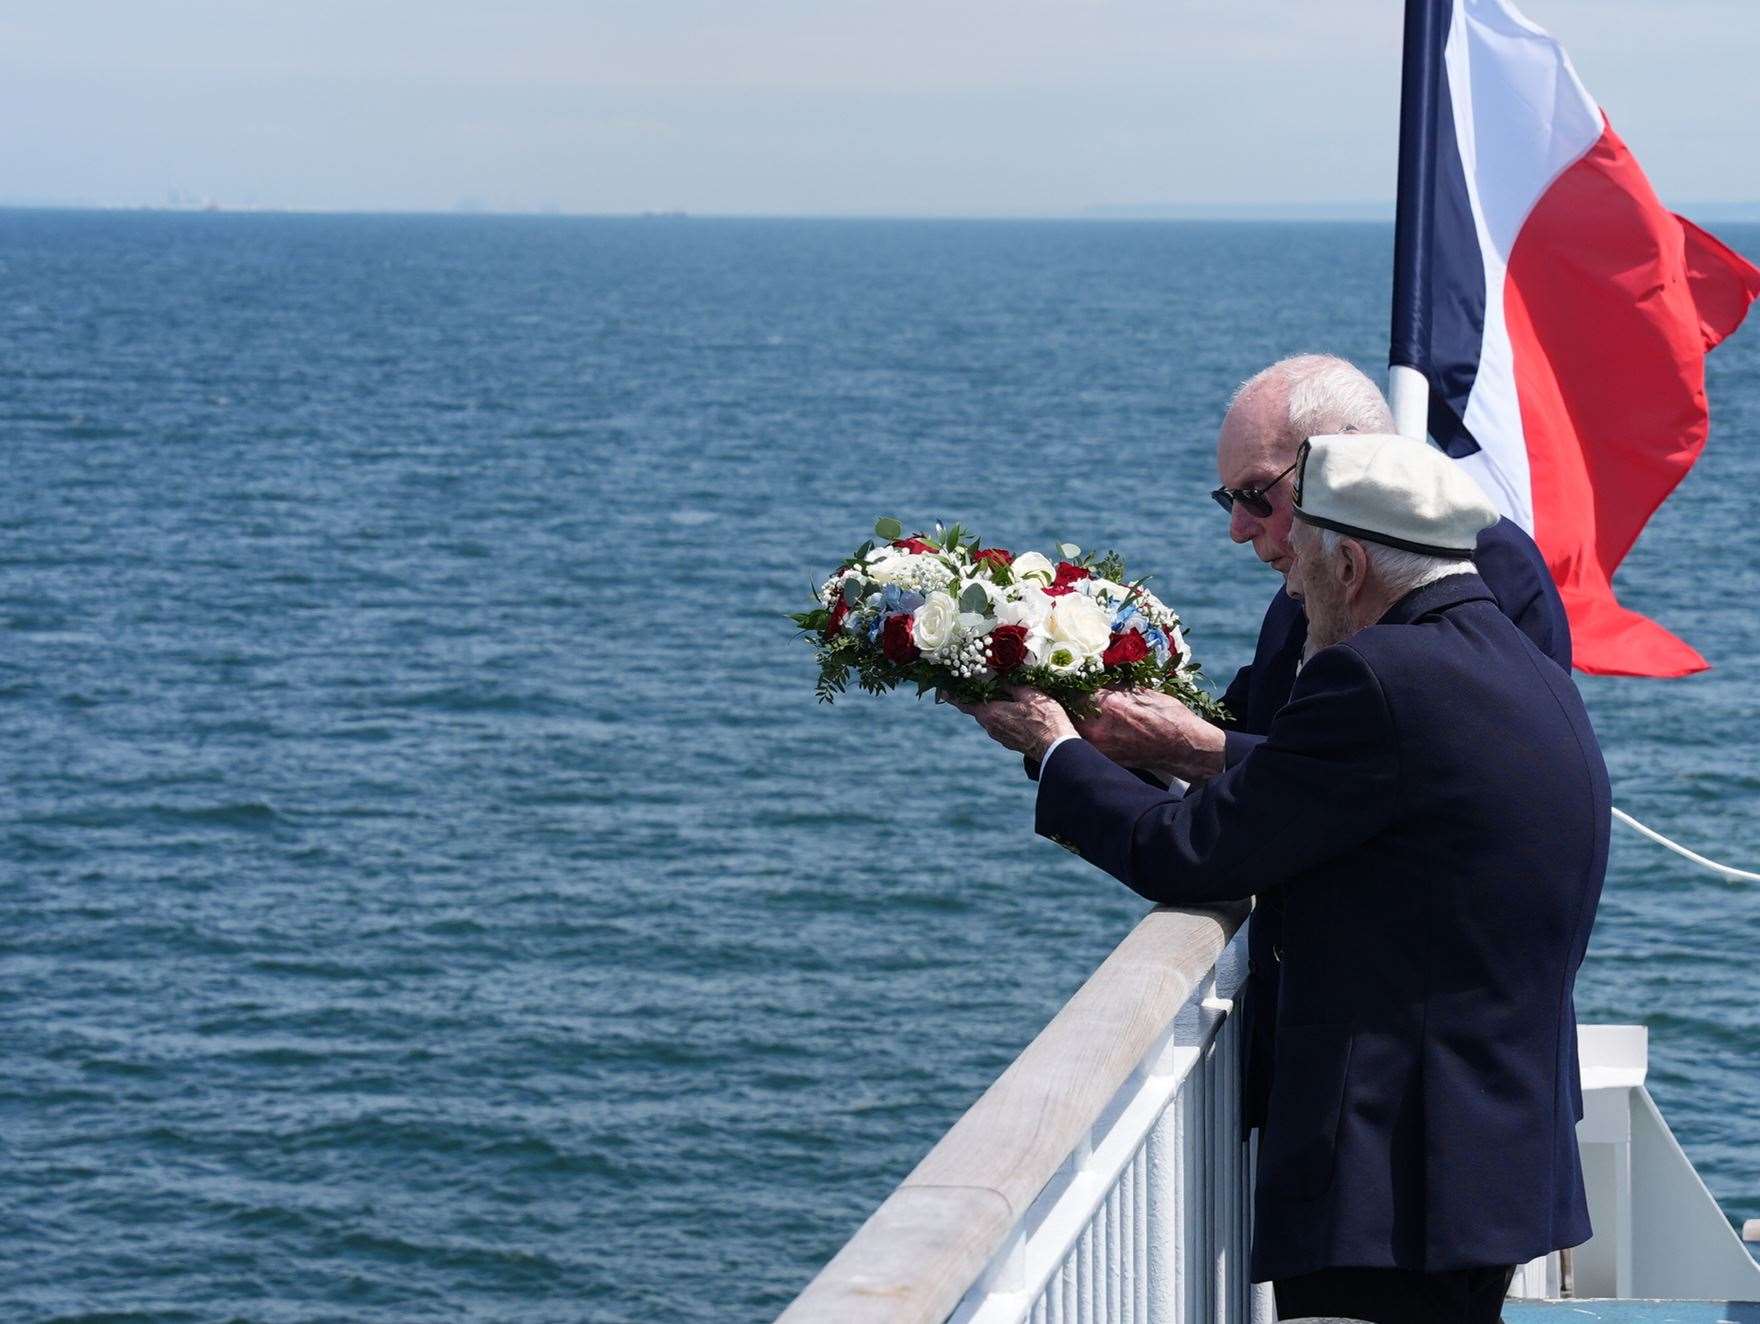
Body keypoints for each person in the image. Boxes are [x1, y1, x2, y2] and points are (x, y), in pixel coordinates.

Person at [954, 435, 1609, 1324]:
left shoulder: (1378, 678)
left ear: (1347, 564)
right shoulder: (1522, 667)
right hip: (1488, 1155)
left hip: (1393, 1177)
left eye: (1301, 565)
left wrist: (1052, 749)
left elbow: (1189, 852)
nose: (1291, 590)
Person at [1062, 355, 1573, 1140]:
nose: (1239, 529)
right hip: (1376, 1090)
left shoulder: (1472, 570)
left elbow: (1385, 770)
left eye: (1255, 496)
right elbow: (1270, 726)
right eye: (1227, 500)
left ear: (1342, 458)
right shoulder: (1318, 588)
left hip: (1417, 1104)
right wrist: (1082, 702)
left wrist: (1182, 750)